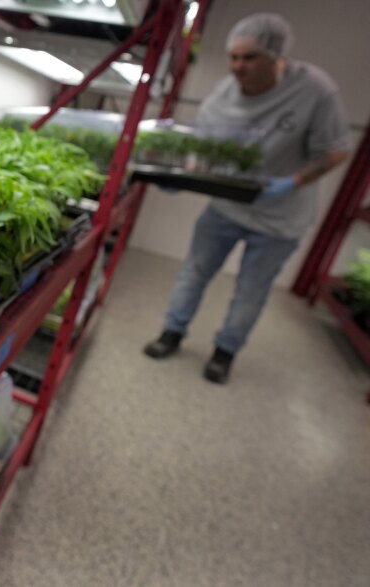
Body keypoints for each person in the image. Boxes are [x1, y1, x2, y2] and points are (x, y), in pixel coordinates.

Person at [143, 13, 351, 384]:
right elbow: (203, 152)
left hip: (280, 218)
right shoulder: (220, 99)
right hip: (225, 208)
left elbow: (335, 150)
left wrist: (294, 181)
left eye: (249, 58)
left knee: (251, 291)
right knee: (194, 272)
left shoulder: (314, 90)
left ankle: (225, 352)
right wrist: (181, 174)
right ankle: (171, 332)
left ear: (275, 56)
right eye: (233, 57)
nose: (238, 67)